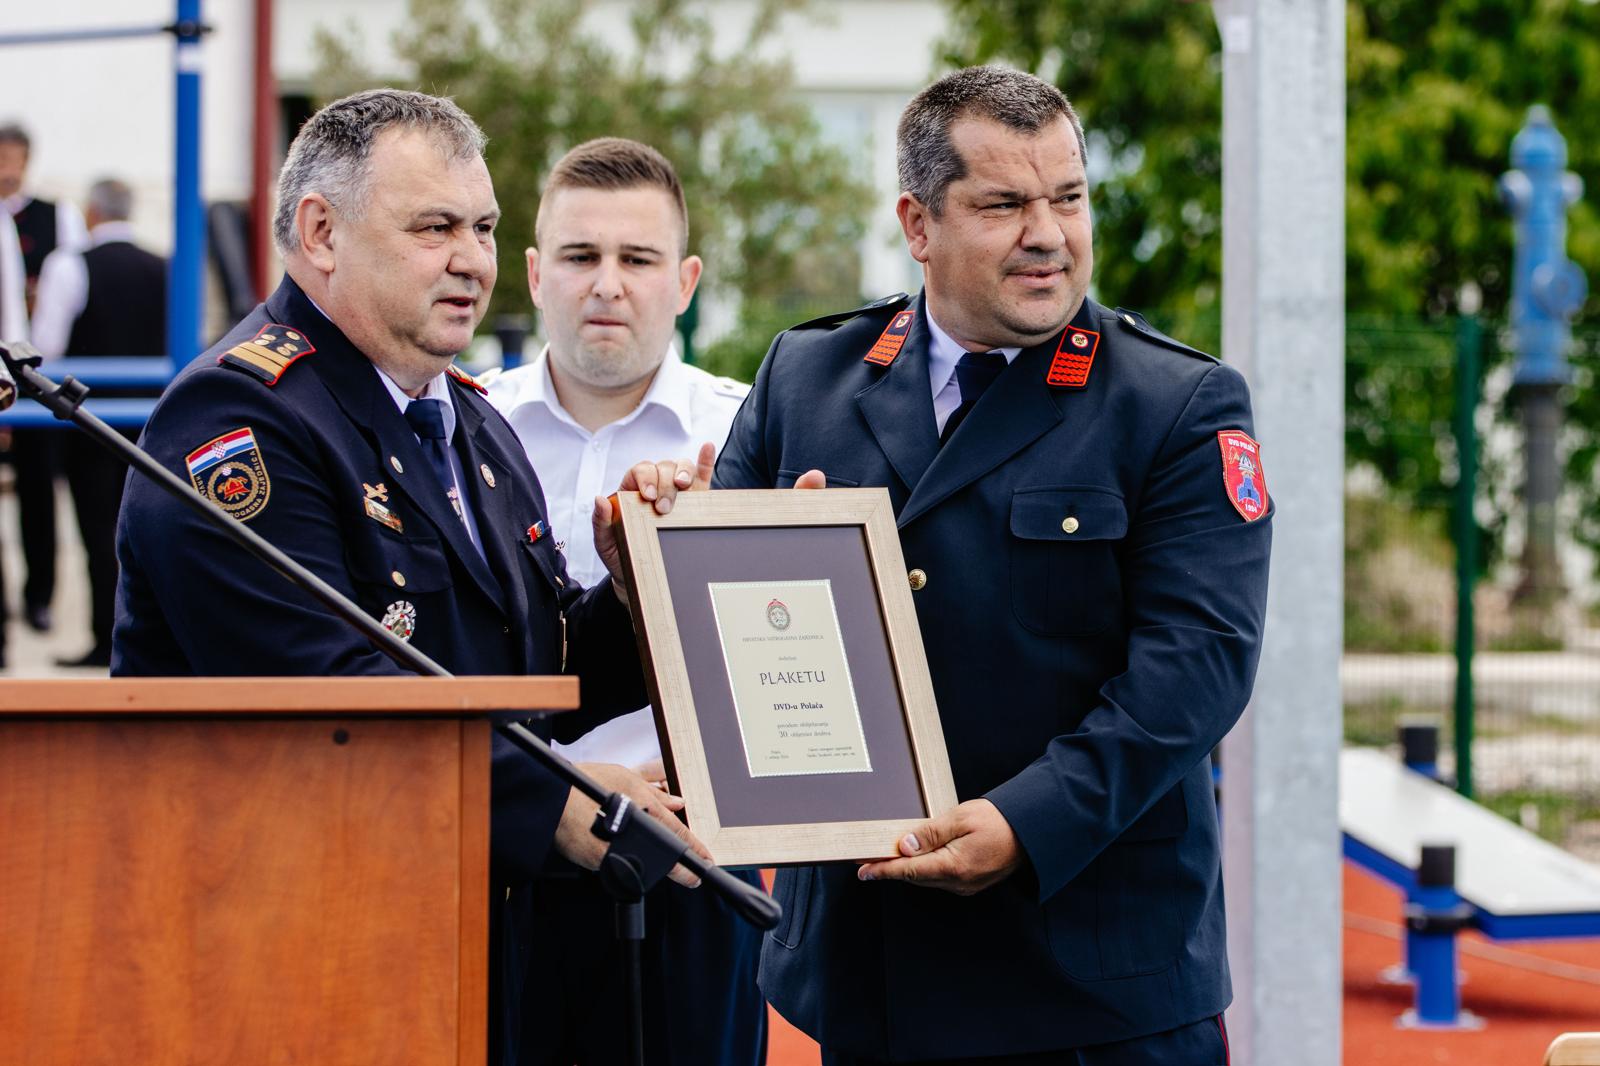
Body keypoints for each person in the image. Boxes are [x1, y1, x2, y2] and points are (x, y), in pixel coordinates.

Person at [111, 89, 707, 1066]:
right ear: (321, 234)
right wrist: (552, 801)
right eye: (434, 227)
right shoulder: (237, 422)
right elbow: (317, 692)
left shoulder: (465, 421)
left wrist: (648, 592)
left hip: (455, 945)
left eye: (480, 228)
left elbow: (537, 667)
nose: (471, 259)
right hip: (287, 948)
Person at [714, 66, 1272, 1064]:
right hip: (871, 970)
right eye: (1005, 204)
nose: (1049, 234)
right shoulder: (807, 377)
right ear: (917, 224)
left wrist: (1023, 823)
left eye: (1068, 196)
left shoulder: (1175, 406)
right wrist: (664, 572)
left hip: (1089, 978)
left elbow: (1194, 671)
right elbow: (721, 632)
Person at [484, 137, 764, 1066]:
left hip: (690, 870)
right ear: (534, 273)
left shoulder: (744, 438)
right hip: (505, 858)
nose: (608, 284)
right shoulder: (462, 425)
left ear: (684, 281)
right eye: (580, 256)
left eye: (637, 259)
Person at [30, 177, 165, 668]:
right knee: (148, 529)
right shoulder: (165, 266)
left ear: (91, 213)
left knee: (97, 531)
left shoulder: (69, 264)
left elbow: (47, 345)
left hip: (90, 420)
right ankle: (142, 638)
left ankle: (103, 638)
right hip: (155, 420)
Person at [0, 122, 88, 636]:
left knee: (38, 494)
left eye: (15, 156)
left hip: (36, 372)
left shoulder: (59, 217)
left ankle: (39, 598)